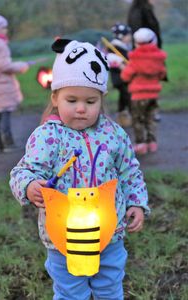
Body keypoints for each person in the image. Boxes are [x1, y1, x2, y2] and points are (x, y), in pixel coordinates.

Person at [10, 39, 149, 300]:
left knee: (110, 289)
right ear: (55, 97)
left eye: (90, 101)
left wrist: (137, 203)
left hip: (109, 235)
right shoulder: (47, 136)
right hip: (63, 238)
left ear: (102, 99)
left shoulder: (113, 134)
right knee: (70, 292)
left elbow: (130, 171)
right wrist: (29, 187)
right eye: (71, 100)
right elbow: (23, 171)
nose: (81, 108)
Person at [121, 28, 167, 155]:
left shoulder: (135, 59)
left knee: (138, 120)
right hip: (154, 95)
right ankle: (152, 143)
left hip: (138, 96)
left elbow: (125, 76)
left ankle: (141, 144)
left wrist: (124, 67)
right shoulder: (158, 58)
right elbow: (162, 74)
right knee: (150, 119)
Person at [0, 13, 29, 153]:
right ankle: (8, 143)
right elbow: (4, 65)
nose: (5, 30)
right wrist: (21, 66)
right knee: (5, 113)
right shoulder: (0, 45)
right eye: (3, 27)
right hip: (2, 85)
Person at [127, 0, 167, 122]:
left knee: (145, 81)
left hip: (145, 52)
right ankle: (148, 112)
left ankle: (145, 111)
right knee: (148, 82)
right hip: (148, 53)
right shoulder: (142, 11)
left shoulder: (138, 10)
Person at [106, 23, 132, 127]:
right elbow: (111, 59)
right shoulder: (114, 47)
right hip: (120, 77)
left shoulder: (123, 47)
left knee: (124, 96)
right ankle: (130, 114)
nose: (130, 37)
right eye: (128, 35)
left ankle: (123, 115)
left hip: (124, 77)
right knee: (127, 95)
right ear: (122, 36)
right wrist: (121, 65)